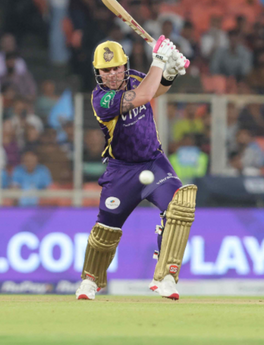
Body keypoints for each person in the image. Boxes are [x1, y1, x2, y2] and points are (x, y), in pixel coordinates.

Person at [75, 37, 197, 301]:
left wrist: (170, 73)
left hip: (153, 161)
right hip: (121, 170)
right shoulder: (101, 99)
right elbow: (143, 96)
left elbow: (155, 90)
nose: (112, 74)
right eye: (106, 70)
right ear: (98, 73)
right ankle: (89, 281)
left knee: (180, 206)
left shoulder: (134, 78)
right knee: (106, 228)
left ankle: (165, 277)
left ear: (125, 65)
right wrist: (160, 61)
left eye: (116, 67)